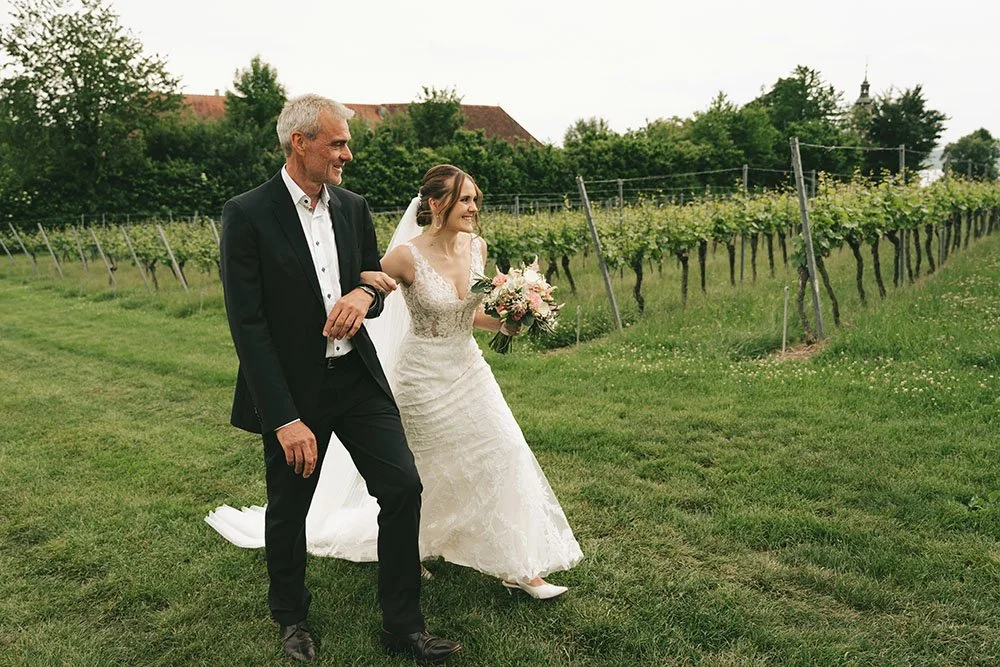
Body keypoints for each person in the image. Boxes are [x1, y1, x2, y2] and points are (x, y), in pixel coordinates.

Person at [210, 165, 582, 598]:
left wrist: (506, 324)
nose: (474, 208)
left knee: (506, 449)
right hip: (422, 375)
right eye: (465, 199)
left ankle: (520, 566)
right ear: (437, 204)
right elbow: (366, 287)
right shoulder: (406, 255)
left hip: (469, 368)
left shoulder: (477, 247)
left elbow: (467, 313)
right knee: (423, 470)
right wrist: (360, 295)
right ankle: (412, 549)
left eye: (475, 199)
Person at [215, 94, 460, 664]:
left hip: (355, 377)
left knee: (402, 487)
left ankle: (403, 625)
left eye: (346, 143)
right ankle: (292, 618)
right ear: (300, 142)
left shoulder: (352, 207)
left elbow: (374, 289)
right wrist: (283, 418)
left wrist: (364, 291)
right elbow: (247, 327)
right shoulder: (247, 213)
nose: (347, 154)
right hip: (294, 391)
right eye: (338, 142)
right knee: (289, 506)